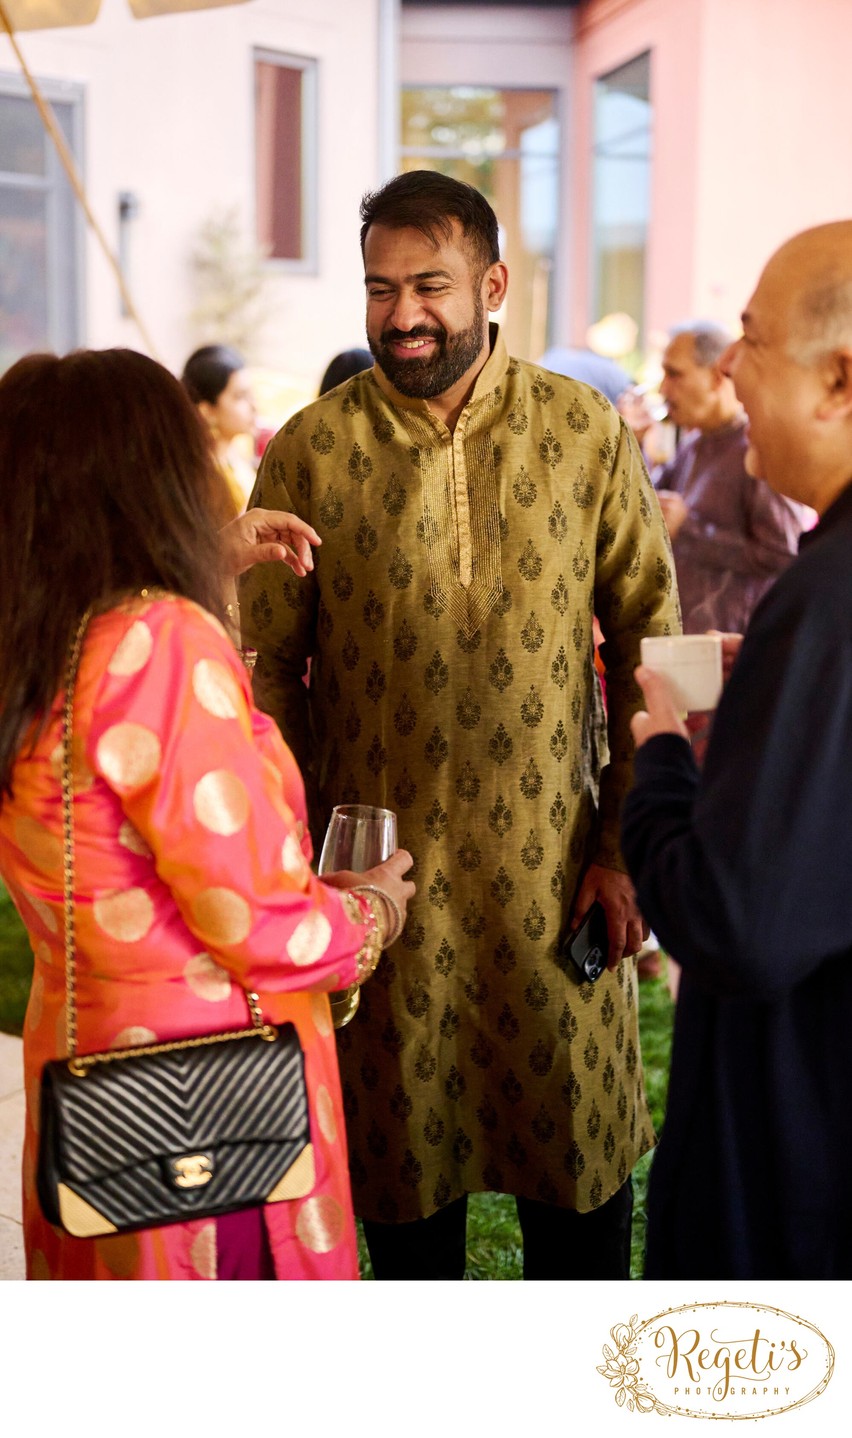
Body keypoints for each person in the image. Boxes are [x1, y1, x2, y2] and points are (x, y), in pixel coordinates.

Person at [239, 170, 679, 1280]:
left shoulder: (583, 432)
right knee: (406, 1217)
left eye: (429, 285)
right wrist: (303, 869)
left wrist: (624, 847)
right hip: (386, 907)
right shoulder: (311, 449)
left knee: (579, 1216)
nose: (402, 315)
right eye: (380, 289)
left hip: (555, 884)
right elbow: (269, 679)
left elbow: (649, 648)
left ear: (490, 284)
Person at [0, 348, 414, 1282]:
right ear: (150, 477)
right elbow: (260, 924)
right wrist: (371, 910)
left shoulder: (36, 634)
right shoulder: (159, 643)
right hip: (209, 1110)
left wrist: (205, 573)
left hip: (88, 1073)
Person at [621, 221, 852, 1279]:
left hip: (794, 1149)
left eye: (749, 343)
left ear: (838, 380)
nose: (725, 370)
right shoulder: (808, 614)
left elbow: (735, 922)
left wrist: (661, 752)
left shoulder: (827, 599)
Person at [654, 320, 808, 634]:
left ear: (716, 375)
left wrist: (689, 529)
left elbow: (784, 555)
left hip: (733, 652)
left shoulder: (759, 448)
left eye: (675, 374)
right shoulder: (693, 445)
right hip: (688, 644)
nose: (663, 389)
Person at [181, 343, 258, 516]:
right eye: (240, 397)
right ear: (207, 410)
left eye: (251, 394)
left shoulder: (236, 455)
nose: (254, 406)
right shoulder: (201, 478)